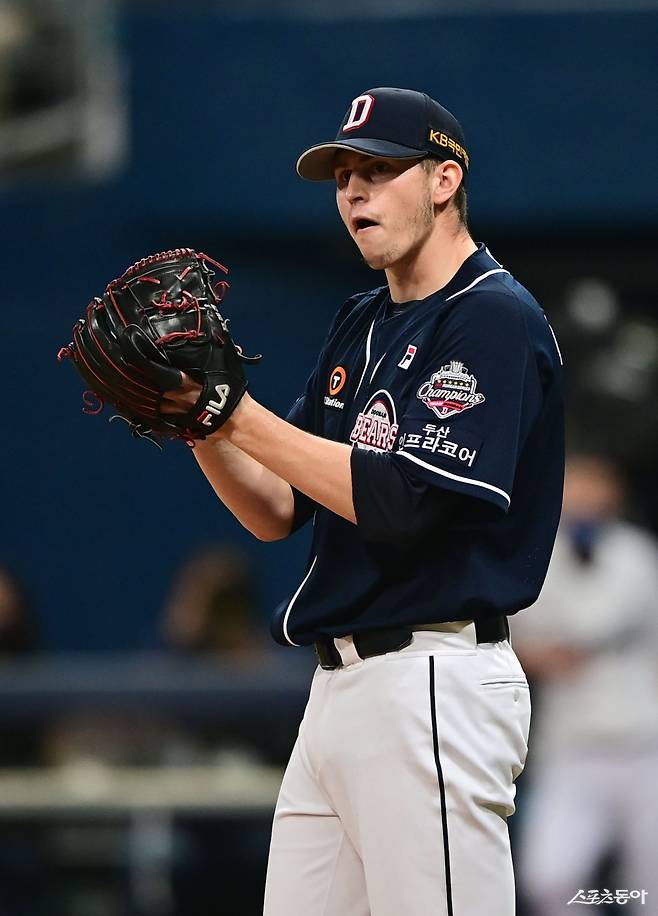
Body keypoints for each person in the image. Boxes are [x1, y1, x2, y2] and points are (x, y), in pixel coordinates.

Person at [163, 87, 564, 915]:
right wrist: (200, 421)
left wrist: (236, 410)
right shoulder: (362, 320)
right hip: (337, 695)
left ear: (444, 180)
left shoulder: (490, 317)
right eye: (343, 174)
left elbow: (401, 502)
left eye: (379, 170)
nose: (353, 191)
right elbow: (276, 506)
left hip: (432, 683)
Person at [512, 454, 658, 916]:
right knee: (550, 880)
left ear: (612, 495)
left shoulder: (636, 553)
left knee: (649, 889)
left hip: (644, 740)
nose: (582, 500)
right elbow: (513, 639)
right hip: (570, 743)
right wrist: (538, 654)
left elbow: (606, 623)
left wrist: (559, 647)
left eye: (592, 489)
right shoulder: (536, 556)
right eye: (572, 490)